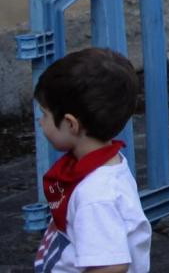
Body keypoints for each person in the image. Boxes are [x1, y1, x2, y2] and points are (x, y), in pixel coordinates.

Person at [31, 48, 151, 273]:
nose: (40, 122)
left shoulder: (95, 195)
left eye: (44, 114)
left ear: (71, 124)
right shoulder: (105, 166)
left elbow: (111, 266)